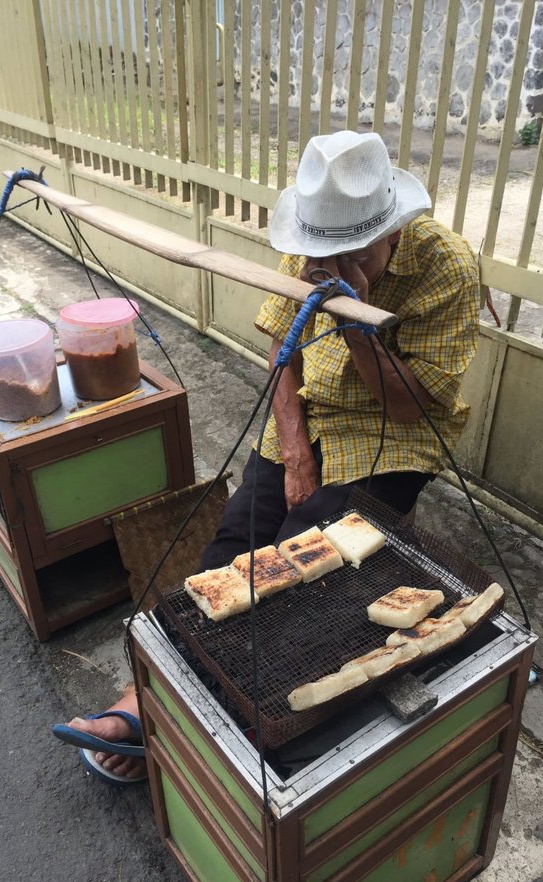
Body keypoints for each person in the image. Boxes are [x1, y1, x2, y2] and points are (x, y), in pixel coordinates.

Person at [52, 130, 481, 783]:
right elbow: (284, 349)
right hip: (309, 409)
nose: (329, 261)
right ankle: (143, 698)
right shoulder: (313, 242)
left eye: (352, 253)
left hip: (389, 424)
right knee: (235, 546)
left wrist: (357, 316)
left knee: (302, 566)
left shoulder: (446, 267)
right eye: (322, 254)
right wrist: (294, 451)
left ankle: (213, 716)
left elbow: (407, 408)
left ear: (392, 228)